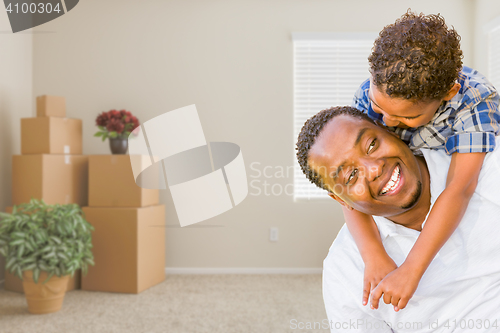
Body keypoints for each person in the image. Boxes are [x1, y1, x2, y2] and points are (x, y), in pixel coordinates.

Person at [296, 106, 500, 332]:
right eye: (351, 175)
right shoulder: (345, 270)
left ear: (390, 130)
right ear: (340, 200)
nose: (373, 169)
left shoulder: (487, 164)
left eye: (371, 145)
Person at [347, 11, 500, 310]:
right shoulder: (368, 96)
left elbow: (460, 187)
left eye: (408, 116)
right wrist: (373, 253)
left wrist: (411, 270)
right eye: (380, 108)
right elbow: (346, 186)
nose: (387, 121)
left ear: (448, 93)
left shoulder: (475, 102)